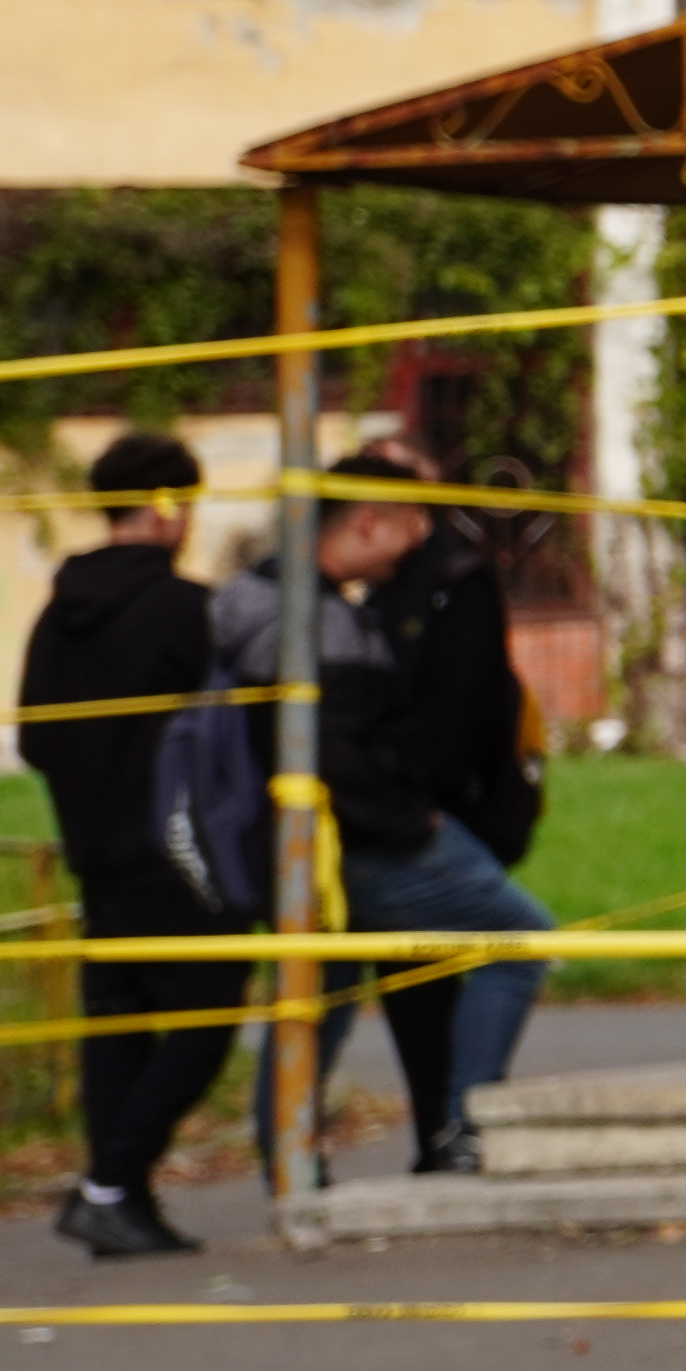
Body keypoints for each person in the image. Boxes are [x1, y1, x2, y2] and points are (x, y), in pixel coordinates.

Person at [229, 445, 556, 1178]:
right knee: (521, 941)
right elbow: (334, 753)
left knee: (321, 995)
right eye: (412, 522)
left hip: (311, 845)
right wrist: (413, 823)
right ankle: (466, 1124)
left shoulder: (254, 598)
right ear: (369, 523)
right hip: (371, 840)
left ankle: (288, 1155)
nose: (419, 540)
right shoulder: (318, 623)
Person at [23, 432, 256, 1255]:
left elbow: (38, 736)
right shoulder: (184, 610)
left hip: (95, 850)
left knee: (116, 1026)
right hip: (181, 854)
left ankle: (122, 1199)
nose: (188, 521)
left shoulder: (57, 612)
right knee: (208, 1015)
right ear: (163, 505)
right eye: (185, 504)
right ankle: (109, 1184)